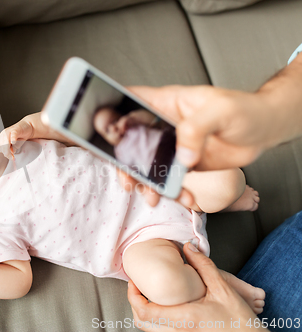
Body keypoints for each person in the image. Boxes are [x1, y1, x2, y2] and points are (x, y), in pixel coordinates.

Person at [0, 104, 263, 310]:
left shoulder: (19, 140)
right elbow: (16, 279)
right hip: (134, 243)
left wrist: (30, 124)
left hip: (150, 181)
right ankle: (215, 282)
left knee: (226, 180)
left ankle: (224, 199)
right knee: (164, 284)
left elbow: (72, 124)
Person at [123, 46, 302, 331]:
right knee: (226, 181)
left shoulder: (26, 144)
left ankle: (214, 279)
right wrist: (267, 110)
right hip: (145, 220)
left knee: (167, 282)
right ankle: (216, 272)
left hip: (143, 220)